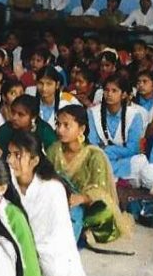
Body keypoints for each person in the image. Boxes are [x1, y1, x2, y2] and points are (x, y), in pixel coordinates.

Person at [8, 130, 86, 276]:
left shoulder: (52, 188)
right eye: (9, 154)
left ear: (34, 160)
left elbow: (53, 237)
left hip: (49, 256)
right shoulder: (8, 183)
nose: (10, 160)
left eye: (17, 155)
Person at [47, 105, 132, 244]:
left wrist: (82, 198)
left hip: (88, 206)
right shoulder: (54, 150)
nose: (60, 130)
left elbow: (101, 191)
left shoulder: (94, 154)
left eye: (66, 125)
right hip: (61, 201)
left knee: (101, 215)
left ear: (81, 129)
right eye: (58, 124)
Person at [87, 76, 146, 180]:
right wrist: (113, 151)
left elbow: (133, 149)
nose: (109, 94)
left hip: (124, 160)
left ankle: (110, 176)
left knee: (140, 161)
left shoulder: (134, 115)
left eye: (114, 91)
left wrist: (108, 150)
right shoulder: (93, 113)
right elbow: (93, 144)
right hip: (100, 158)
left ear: (123, 94)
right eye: (106, 90)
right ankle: (118, 178)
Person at [0, 94, 58, 158]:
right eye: (13, 112)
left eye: (20, 114)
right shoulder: (6, 129)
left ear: (33, 117)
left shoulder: (45, 132)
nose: (14, 117)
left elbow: (54, 157)